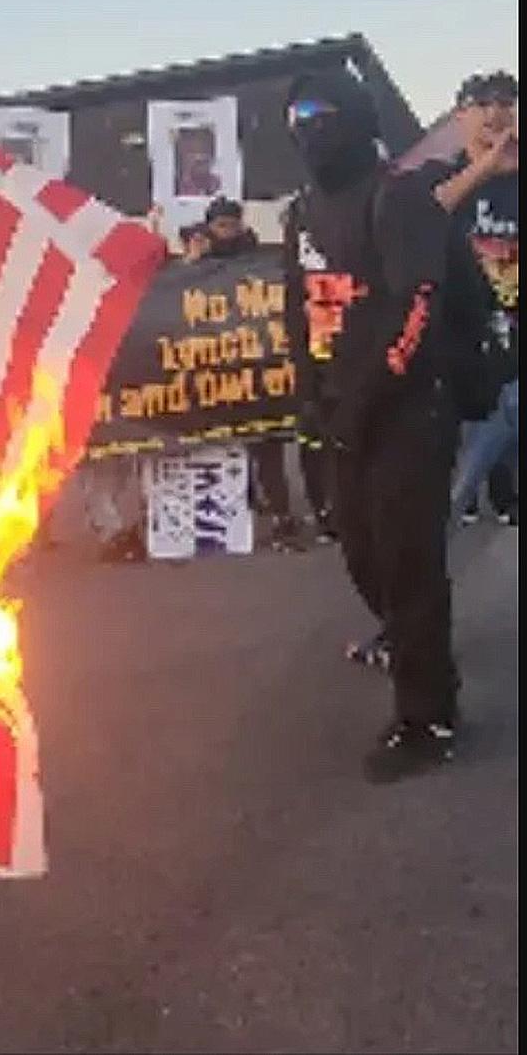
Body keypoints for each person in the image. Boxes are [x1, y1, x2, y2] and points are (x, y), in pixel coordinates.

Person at [283, 67, 465, 783]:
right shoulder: (301, 212)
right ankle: (411, 645)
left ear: (356, 117)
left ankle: (430, 717)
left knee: (408, 563)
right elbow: (297, 312)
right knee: (359, 550)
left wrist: (361, 405)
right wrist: (308, 402)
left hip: (408, 413)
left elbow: (415, 308)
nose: (309, 126)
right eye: (298, 115)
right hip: (341, 417)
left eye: (324, 112)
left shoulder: (401, 196)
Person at [424, 71, 519, 527]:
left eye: (506, 103)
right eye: (483, 104)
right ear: (459, 116)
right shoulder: (443, 177)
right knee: (454, 487)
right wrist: (484, 167)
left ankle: (506, 499)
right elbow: (422, 215)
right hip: (466, 351)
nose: (496, 113)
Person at [202, 198, 303, 552]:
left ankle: (281, 513)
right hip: (222, 369)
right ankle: (241, 507)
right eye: (220, 226)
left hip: (257, 370)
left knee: (267, 447)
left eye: (231, 225)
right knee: (231, 447)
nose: (227, 232)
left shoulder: (261, 260)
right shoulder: (202, 266)